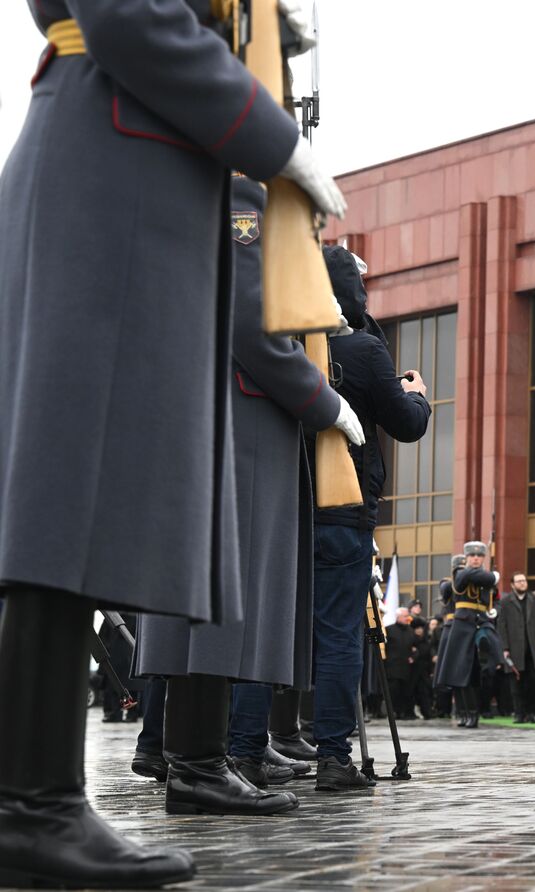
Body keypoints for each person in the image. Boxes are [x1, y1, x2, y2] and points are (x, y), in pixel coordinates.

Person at [0, 0, 346, 881]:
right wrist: (273, 136)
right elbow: (126, 18)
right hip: (114, 157)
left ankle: (37, 799)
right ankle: (30, 805)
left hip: (136, 165)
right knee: (60, 494)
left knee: (70, 496)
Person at [134, 171, 355, 809]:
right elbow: (252, 327)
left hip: (203, 413)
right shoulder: (240, 199)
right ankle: (198, 767)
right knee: (221, 599)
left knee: (206, 599)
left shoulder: (185, 191)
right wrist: (323, 401)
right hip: (236, 420)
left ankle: (194, 763)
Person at [311, 245, 431, 790]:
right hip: (345, 508)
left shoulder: (296, 345)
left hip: (290, 509)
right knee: (340, 636)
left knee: (280, 633)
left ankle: (250, 747)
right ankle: (332, 756)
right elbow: (405, 424)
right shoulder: (361, 349)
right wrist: (419, 397)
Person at [433, 541, 504, 728]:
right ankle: (466, 713)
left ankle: (473, 713)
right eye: (472, 556)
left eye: (479, 556)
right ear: (466, 558)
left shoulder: (483, 577)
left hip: (481, 623)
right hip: (463, 625)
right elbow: (475, 577)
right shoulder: (461, 573)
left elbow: (494, 598)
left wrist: (495, 610)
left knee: (475, 674)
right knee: (460, 672)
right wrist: (492, 575)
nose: (475, 559)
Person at [496, 572, 535, 723]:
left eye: (524, 581)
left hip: (533, 648)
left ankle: (534, 713)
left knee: (534, 682)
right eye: (519, 581)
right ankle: (519, 713)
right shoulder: (506, 602)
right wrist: (505, 648)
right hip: (515, 648)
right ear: (512, 585)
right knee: (516, 684)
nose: (522, 584)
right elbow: (502, 626)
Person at [384, 608, 418, 719]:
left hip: (406, 668)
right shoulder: (389, 630)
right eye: (404, 616)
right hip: (392, 667)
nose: (407, 618)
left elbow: (416, 648)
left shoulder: (411, 631)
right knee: (393, 691)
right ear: (398, 617)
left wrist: (413, 657)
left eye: (407, 616)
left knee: (406, 691)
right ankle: (393, 712)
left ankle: (403, 712)